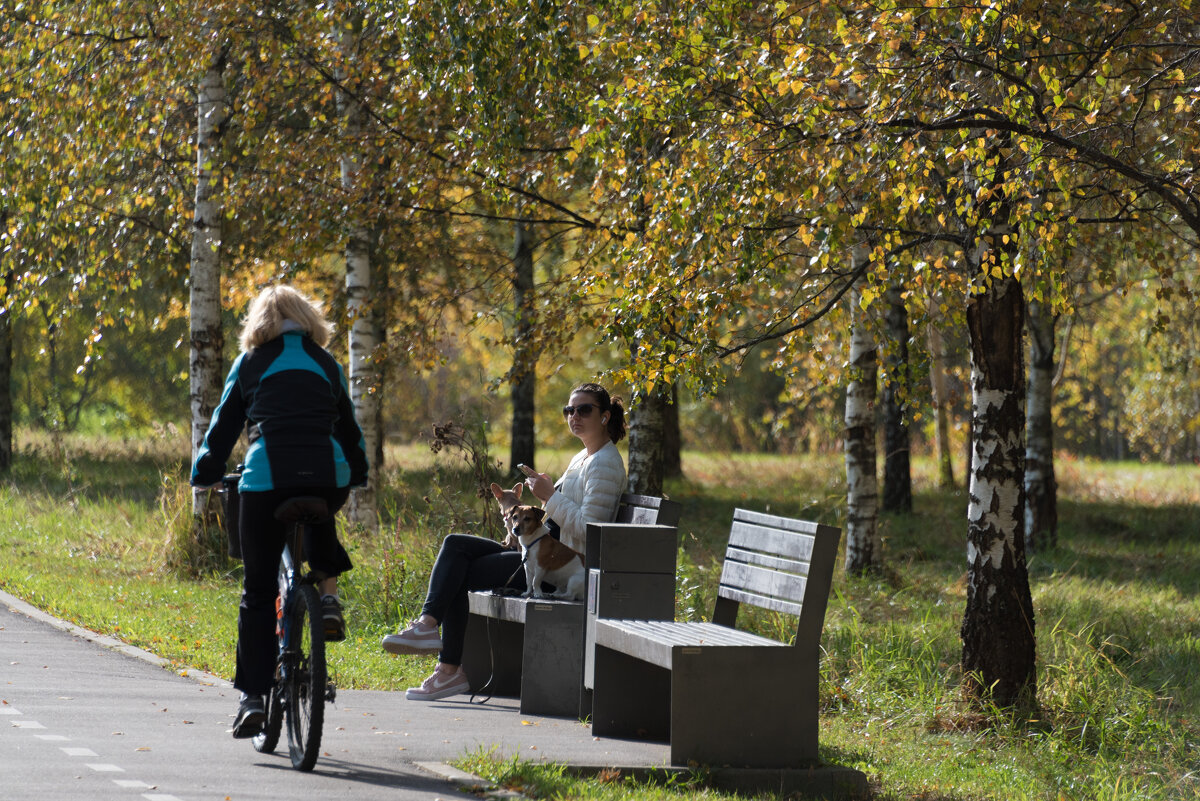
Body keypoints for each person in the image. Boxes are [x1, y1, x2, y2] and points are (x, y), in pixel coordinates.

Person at [191, 285, 368, 739]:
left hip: (267, 478)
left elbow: (224, 424)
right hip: (327, 476)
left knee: (257, 588)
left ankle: (252, 697)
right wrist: (359, 471)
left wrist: (205, 472)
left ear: (260, 322)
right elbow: (349, 426)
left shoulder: (252, 362)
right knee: (321, 506)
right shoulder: (327, 363)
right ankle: (326, 598)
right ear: (308, 318)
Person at [381, 382, 627, 701]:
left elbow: (590, 528)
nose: (574, 416)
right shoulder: (584, 457)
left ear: (605, 416)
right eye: (570, 410)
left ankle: (447, 668)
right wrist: (534, 506)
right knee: (455, 544)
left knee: (461, 571)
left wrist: (549, 496)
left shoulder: (605, 463)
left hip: (560, 570)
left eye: (584, 410)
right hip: (537, 549)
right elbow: (560, 513)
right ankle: (431, 633)